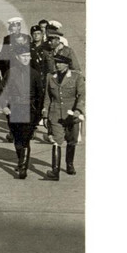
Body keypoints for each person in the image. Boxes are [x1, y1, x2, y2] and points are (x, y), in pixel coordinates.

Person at [4, 44, 45, 179]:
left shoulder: (34, 74)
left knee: (26, 138)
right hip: (14, 108)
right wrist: (4, 106)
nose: (26, 58)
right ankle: (21, 159)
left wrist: (38, 113)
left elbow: (40, 95)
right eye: (23, 56)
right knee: (17, 138)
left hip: (29, 109)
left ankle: (23, 168)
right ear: (17, 57)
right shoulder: (11, 72)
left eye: (28, 56)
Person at [42, 51, 85, 180]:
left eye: (60, 63)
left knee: (71, 140)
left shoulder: (76, 77)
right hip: (55, 114)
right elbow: (47, 97)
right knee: (56, 140)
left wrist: (78, 110)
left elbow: (82, 95)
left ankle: (69, 164)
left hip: (71, 115)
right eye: (56, 63)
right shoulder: (50, 77)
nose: (58, 65)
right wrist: (45, 115)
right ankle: (55, 171)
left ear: (67, 64)